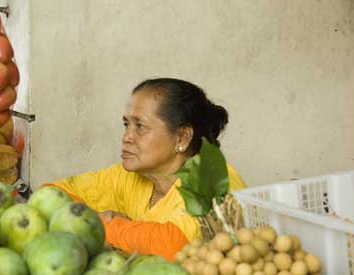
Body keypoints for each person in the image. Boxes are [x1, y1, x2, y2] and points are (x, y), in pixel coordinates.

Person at [50, 78, 246, 261]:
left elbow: (172, 246)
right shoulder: (130, 176)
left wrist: (94, 223)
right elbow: (50, 195)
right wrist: (111, 225)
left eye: (140, 126)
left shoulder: (211, 180)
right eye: (126, 125)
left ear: (182, 138)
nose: (127, 136)